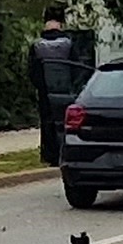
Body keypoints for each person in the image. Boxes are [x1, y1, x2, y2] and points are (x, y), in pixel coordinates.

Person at [27, 17, 96, 169]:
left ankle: (50, 155)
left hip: (46, 93)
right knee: (67, 123)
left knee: (47, 123)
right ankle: (64, 152)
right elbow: (77, 68)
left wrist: (40, 87)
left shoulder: (37, 46)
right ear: (60, 27)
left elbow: (33, 72)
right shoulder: (68, 44)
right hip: (66, 91)